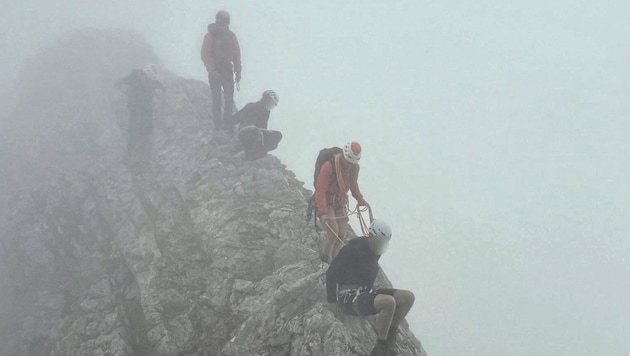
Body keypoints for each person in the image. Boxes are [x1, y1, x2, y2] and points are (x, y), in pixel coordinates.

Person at [326, 220, 415, 356]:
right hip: (349, 296)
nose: (381, 245)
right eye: (379, 241)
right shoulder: (352, 249)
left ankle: (391, 335)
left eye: (383, 243)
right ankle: (381, 346)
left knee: (408, 297)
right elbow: (331, 272)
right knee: (389, 302)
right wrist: (332, 301)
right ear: (371, 236)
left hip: (365, 293)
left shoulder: (375, 251)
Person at [315, 141, 369, 263]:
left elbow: (353, 184)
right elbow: (320, 189)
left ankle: (335, 261)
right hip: (327, 202)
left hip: (340, 202)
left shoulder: (354, 168)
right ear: (344, 156)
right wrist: (323, 212)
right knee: (333, 232)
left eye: (352, 163)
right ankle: (324, 259)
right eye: (348, 162)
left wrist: (359, 198)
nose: (349, 165)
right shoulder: (329, 166)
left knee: (341, 234)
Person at [201, 10, 242, 131]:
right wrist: (212, 70)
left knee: (221, 100)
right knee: (221, 100)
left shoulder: (216, 35)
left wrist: (238, 71)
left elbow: (236, 56)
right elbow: (205, 54)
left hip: (221, 70)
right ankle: (221, 126)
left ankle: (223, 126)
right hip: (220, 70)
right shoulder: (226, 36)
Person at [115, 64, 164, 163]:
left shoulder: (134, 78)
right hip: (144, 107)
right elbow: (160, 86)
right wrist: (159, 94)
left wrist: (125, 92)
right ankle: (142, 156)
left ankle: (131, 154)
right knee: (146, 129)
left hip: (135, 107)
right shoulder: (149, 81)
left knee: (134, 130)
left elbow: (118, 83)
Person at [229, 90, 282, 160]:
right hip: (249, 133)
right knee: (276, 136)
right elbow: (236, 118)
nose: (270, 105)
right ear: (264, 99)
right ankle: (247, 154)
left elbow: (263, 128)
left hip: (250, 135)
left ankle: (249, 154)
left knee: (275, 140)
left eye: (272, 104)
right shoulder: (256, 108)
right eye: (270, 102)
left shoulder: (261, 110)